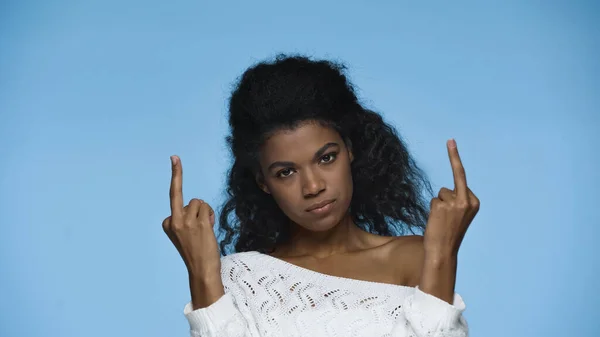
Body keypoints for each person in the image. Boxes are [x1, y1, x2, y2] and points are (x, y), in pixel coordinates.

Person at [162, 55, 480, 337]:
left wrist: (442, 251)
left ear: (350, 150)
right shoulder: (240, 277)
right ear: (263, 182)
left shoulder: (415, 259)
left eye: (326, 158)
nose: (313, 187)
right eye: (286, 172)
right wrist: (202, 269)